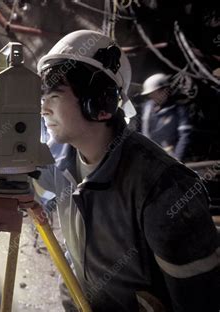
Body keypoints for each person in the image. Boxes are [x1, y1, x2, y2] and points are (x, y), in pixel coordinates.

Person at [35, 30, 219, 311]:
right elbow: (77, 265)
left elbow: (201, 303)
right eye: (43, 97)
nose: (43, 109)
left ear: (99, 103)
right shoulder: (65, 170)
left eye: (55, 96)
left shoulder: (165, 188)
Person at [140, 73, 193, 161]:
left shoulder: (179, 110)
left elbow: (185, 136)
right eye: (150, 94)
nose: (151, 96)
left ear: (165, 90)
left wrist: (177, 159)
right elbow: (143, 132)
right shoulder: (147, 107)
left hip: (169, 156)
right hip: (150, 155)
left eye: (154, 93)